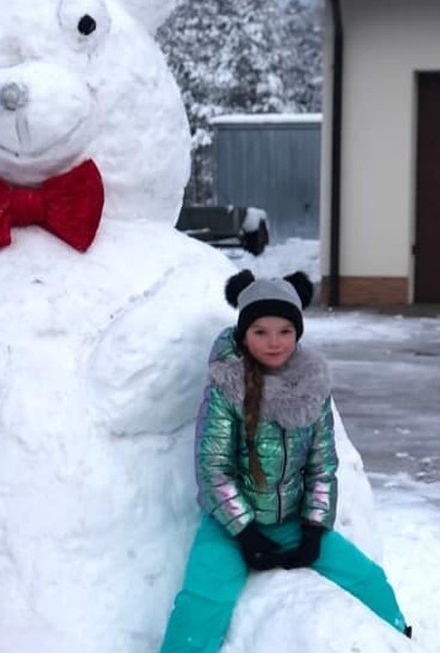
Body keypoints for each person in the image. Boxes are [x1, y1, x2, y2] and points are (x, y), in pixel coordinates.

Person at [158, 270, 411, 653]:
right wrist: (245, 533)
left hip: (293, 521)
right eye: (260, 331)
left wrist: (313, 528)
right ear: (244, 334)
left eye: (284, 331)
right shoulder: (226, 386)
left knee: (369, 580)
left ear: (298, 333)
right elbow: (213, 468)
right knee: (203, 600)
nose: (274, 343)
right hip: (229, 526)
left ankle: (403, 643)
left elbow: (323, 464)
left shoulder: (313, 385)